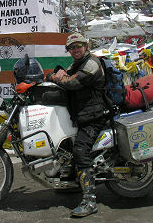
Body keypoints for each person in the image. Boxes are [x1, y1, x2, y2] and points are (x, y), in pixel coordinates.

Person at [46, 33, 106, 217]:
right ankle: (72, 181)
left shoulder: (92, 63)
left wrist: (55, 77)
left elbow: (73, 82)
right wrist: (55, 75)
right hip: (84, 115)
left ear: (86, 46)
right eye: (72, 47)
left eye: (79, 45)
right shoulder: (77, 64)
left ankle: (89, 201)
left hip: (95, 116)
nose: (75, 49)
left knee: (80, 151)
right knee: (68, 147)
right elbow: (66, 74)